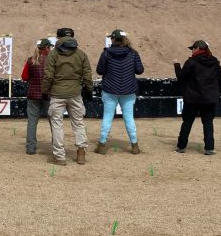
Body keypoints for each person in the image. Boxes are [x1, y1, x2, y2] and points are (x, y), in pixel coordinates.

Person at [42, 35, 93, 165]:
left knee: (57, 125)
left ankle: (59, 157)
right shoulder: (81, 54)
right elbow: (87, 74)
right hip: (75, 93)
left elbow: (48, 76)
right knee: (78, 123)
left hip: (57, 93)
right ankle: (81, 152)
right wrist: (89, 89)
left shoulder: (53, 54)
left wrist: (44, 91)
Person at [94, 29, 145, 155]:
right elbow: (140, 70)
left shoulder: (106, 53)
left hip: (110, 90)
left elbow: (100, 70)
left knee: (107, 118)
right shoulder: (133, 53)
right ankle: (134, 145)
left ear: (113, 39)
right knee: (129, 118)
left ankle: (102, 145)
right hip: (128, 90)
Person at [174, 40, 221, 155]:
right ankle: (209, 148)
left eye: (193, 49)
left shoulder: (191, 62)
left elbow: (181, 77)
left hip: (192, 98)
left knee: (187, 122)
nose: (192, 51)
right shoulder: (215, 62)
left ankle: (181, 146)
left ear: (197, 49)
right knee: (208, 123)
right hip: (209, 98)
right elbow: (220, 79)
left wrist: (176, 65)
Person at [21, 38, 53, 155]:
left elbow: (24, 77)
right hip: (49, 95)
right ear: (47, 48)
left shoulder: (31, 60)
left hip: (33, 95)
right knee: (54, 123)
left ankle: (30, 148)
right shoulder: (52, 60)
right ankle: (56, 147)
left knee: (32, 123)